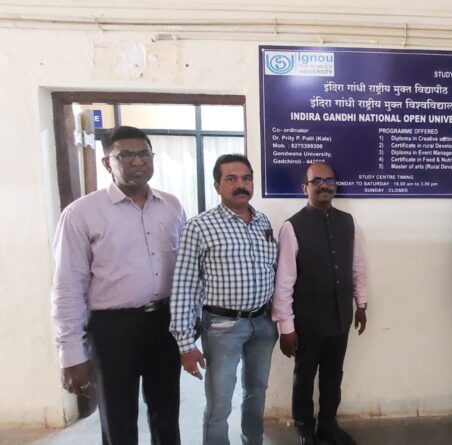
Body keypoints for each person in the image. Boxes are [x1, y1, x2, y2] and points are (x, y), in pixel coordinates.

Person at [51, 125, 185, 445]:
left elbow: (184, 270)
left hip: (164, 325)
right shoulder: (81, 214)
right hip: (113, 329)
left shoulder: (172, 206)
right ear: (108, 163)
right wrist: (71, 353)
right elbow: (67, 285)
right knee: (119, 416)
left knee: (167, 413)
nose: (137, 162)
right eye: (126, 155)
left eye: (144, 154)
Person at [169, 154, 278, 445]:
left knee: (257, 392)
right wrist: (185, 344)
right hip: (222, 327)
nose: (240, 185)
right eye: (231, 179)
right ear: (217, 185)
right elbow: (183, 284)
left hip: (263, 324)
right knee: (220, 402)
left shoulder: (262, 222)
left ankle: (251, 440)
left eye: (246, 178)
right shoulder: (199, 226)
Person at [273, 162, 367, 445]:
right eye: (317, 181)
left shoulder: (349, 222)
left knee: (332, 375)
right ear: (306, 188)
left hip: (340, 317)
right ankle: (305, 427)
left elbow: (357, 266)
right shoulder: (292, 227)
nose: (324, 185)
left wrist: (361, 304)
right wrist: (285, 327)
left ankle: (328, 424)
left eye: (329, 180)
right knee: (304, 376)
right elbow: (284, 280)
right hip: (308, 321)